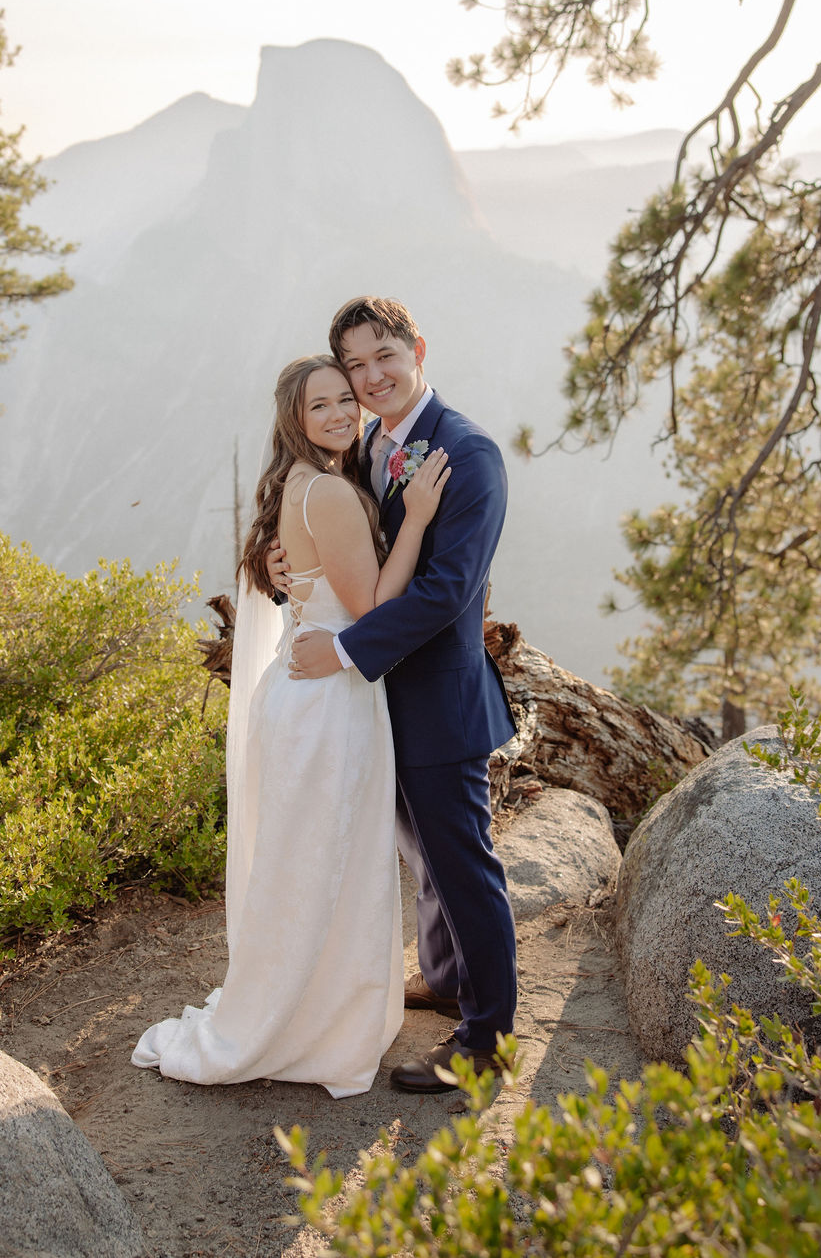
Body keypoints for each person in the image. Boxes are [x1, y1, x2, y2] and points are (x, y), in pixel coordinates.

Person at [131, 354, 449, 1098]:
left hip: (305, 694)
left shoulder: (302, 485)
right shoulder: (331, 492)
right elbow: (372, 607)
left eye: (347, 399)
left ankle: (310, 1006)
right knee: (326, 859)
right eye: (323, 406)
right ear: (296, 422)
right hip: (329, 704)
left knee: (307, 860)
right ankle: (310, 1021)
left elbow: (299, 577)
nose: (342, 413)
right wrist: (421, 520)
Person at [282, 296, 518, 1093]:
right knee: (423, 859)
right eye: (354, 365)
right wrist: (288, 572)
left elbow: (449, 590)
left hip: (439, 704)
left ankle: (486, 1041)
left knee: (463, 865)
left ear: (417, 348)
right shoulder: (369, 445)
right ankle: (448, 976)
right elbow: (349, 548)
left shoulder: (467, 452)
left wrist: (345, 648)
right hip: (382, 703)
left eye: (384, 355)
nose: (371, 376)